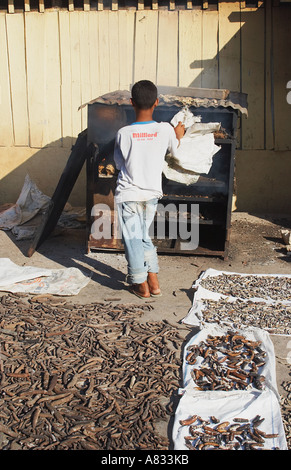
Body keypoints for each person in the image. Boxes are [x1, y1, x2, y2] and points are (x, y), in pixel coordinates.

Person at [114, 80, 185, 299]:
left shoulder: (123, 133)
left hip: (128, 194)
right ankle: (153, 280)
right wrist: (178, 135)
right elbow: (177, 149)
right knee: (142, 236)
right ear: (157, 102)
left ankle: (140, 283)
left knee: (133, 240)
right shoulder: (165, 129)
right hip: (151, 195)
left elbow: (119, 164)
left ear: (131, 103)